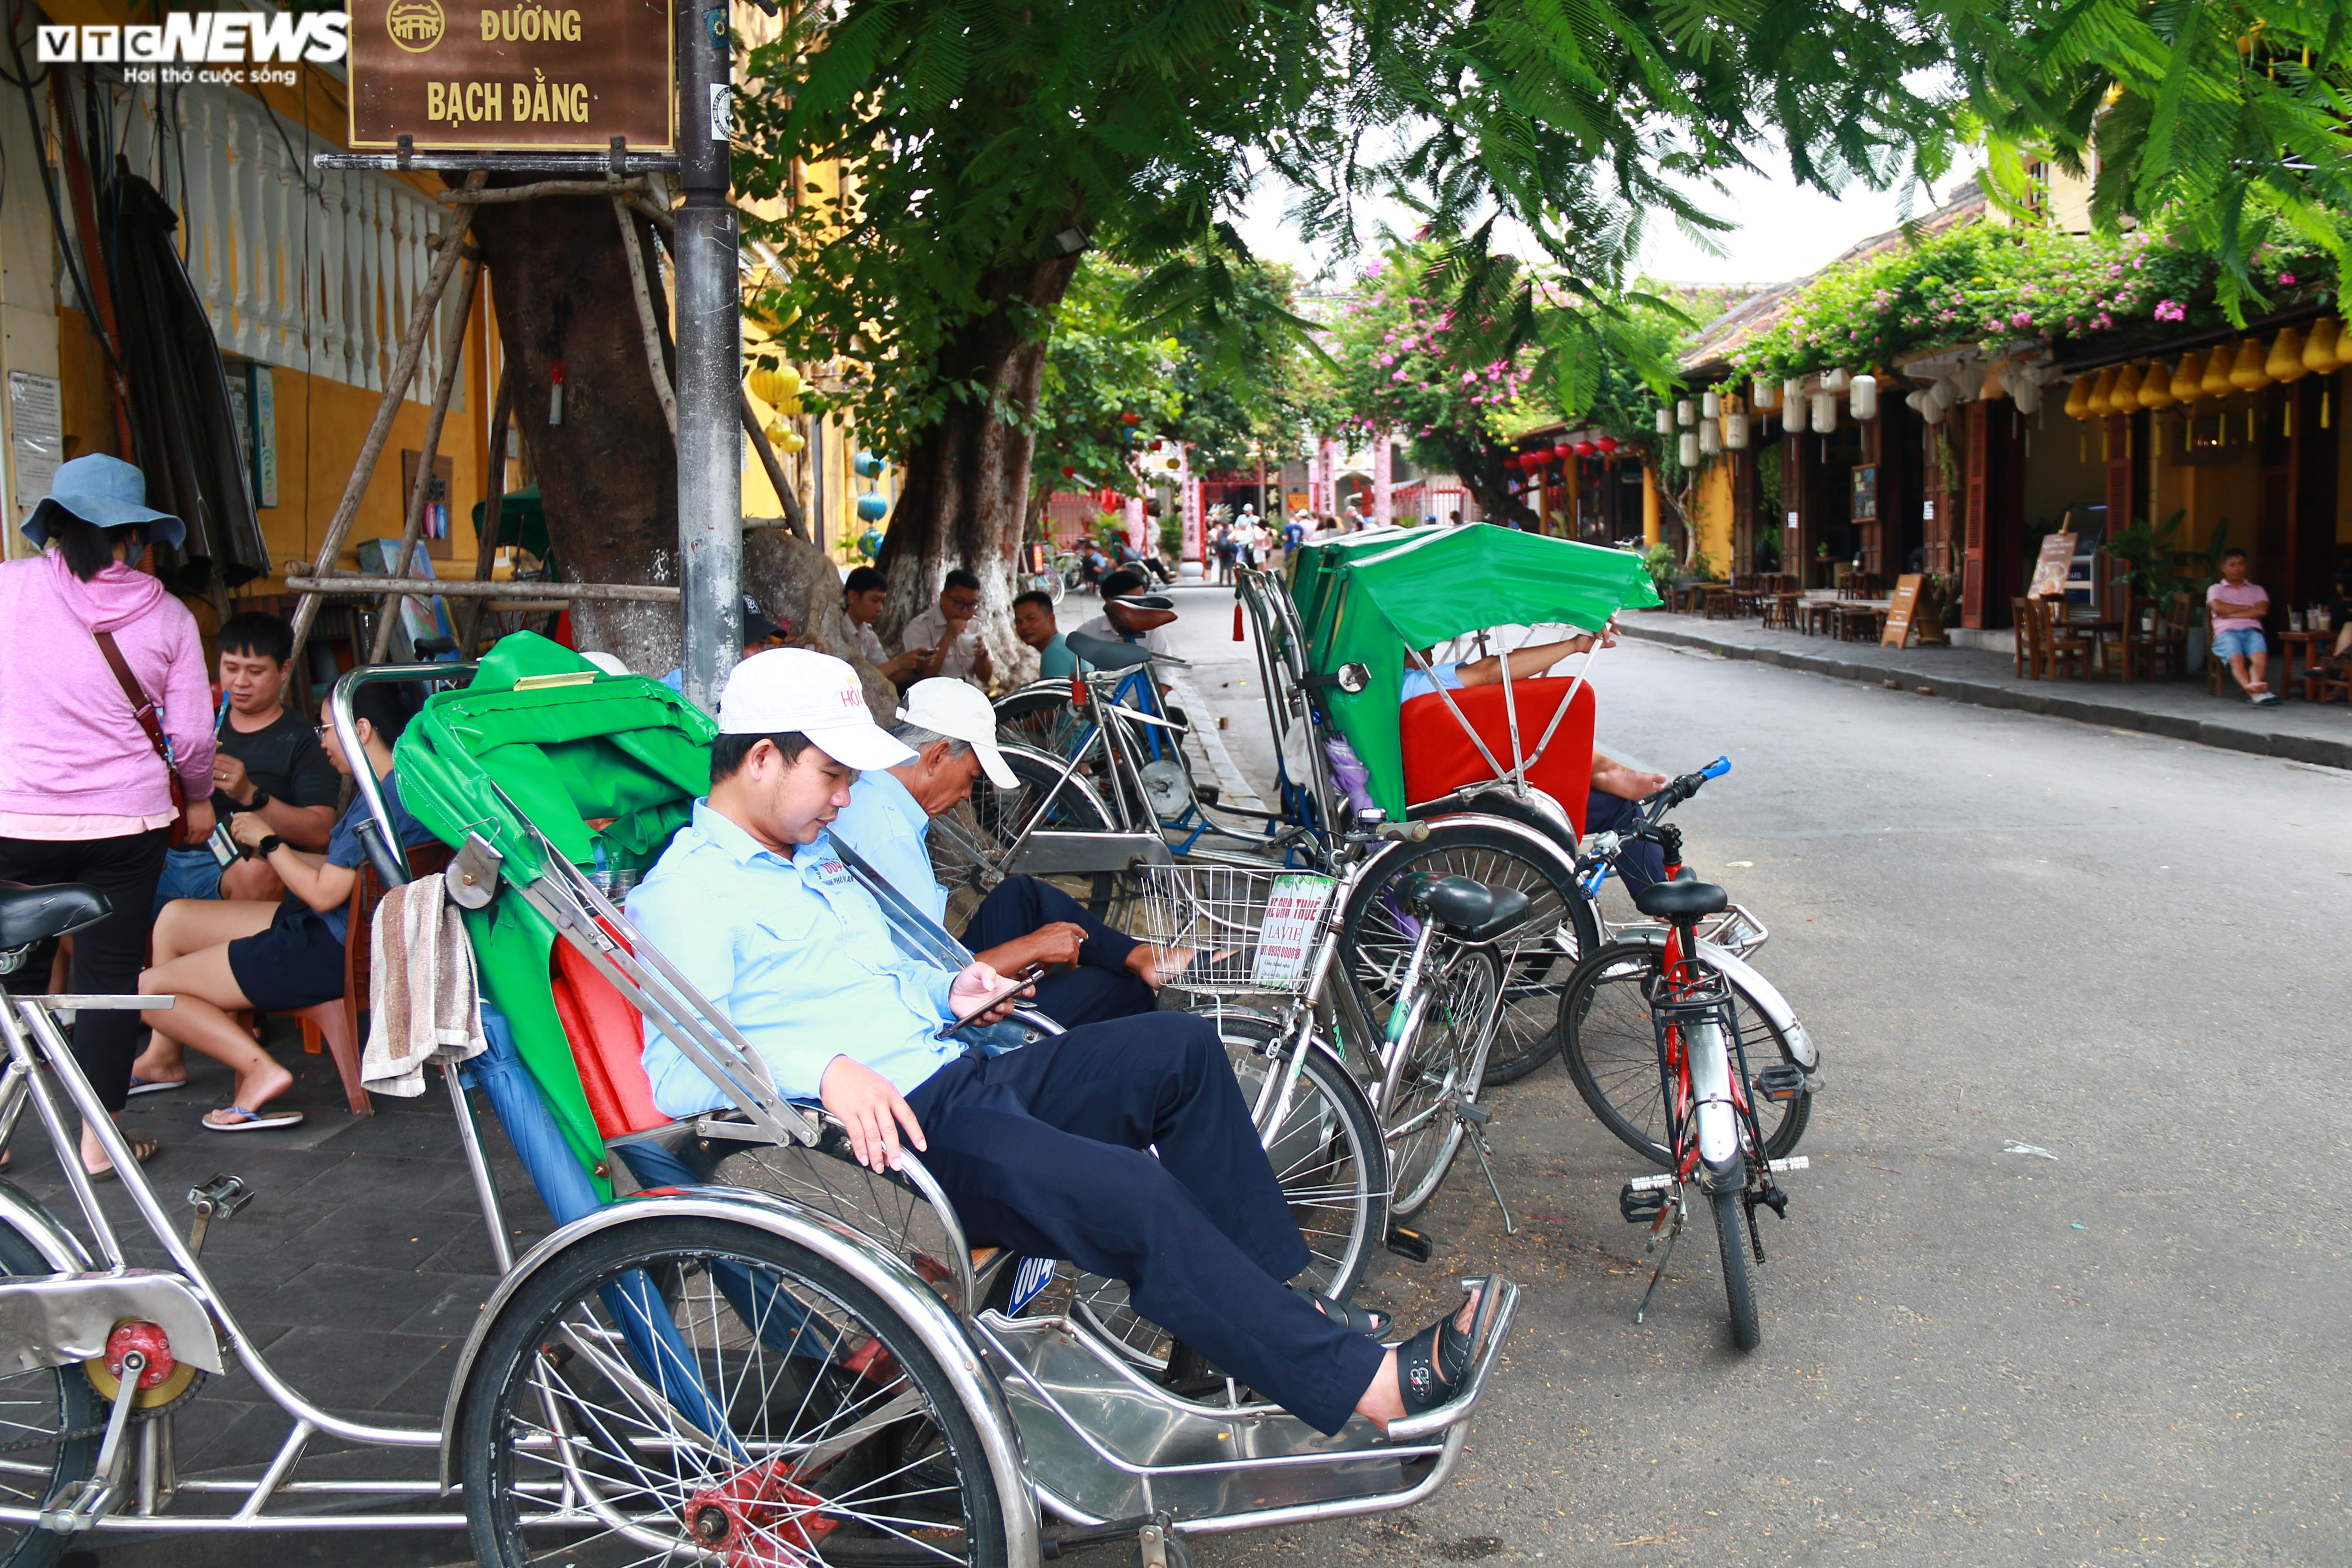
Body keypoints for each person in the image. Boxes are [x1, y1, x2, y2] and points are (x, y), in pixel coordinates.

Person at [624, 648, 1487, 1437]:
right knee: (1131, 1189)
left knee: (1179, 1050)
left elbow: (876, 988)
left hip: (960, 1070)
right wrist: (821, 1070)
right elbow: (673, 1072)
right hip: (901, 1132)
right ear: (763, 758)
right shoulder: (688, 895)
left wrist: (951, 989)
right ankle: (1366, 1387)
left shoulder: (810, 859)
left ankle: (1259, 1313)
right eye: (832, 773)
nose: (847, 797)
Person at [0, 454, 215, 1177]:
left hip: (15, 820)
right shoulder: (170, 617)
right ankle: (100, 1140)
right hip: (127, 826)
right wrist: (198, 794)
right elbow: (190, 738)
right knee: (108, 975)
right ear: (134, 537)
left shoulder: (6, 588)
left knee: (11, 977)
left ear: (53, 528)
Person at [133, 686, 441, 1130]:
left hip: (328, 947)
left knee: (147, 988)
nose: (321, 741)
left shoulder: (376, 805)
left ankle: (260, 1069)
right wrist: (278, 857)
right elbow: (348, 873)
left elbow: (322, 894)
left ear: (362, 731)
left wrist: (270, 844)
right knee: (177, 919)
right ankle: (164, 1056)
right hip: (346, 929)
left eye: (326, 729)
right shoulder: (405, 786)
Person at [829, 678, 1192, 1024]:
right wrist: (1030, 948)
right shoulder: (889, 838)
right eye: (971, 777)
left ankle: (1143, 956)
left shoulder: (872, 799)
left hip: (933, 975)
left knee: (1021, 895)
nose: (967, 795)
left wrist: (1028, 949)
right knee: (1119, 990)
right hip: (934, 1009)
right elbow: (932, 982)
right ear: (938, 756)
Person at [153, 612, 340, 915]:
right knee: (90, 884)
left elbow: (320, 832)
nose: (240, 682)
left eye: (255, 672)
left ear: (283, 670)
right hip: (167, 860)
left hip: (236, 866)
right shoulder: (194, 724)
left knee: (255, 873)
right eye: (231, 668)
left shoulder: (304, 739)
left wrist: (250, 795)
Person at [1398, 623, 1615, 701]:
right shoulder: (1410, 685)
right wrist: (1574, 645)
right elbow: (1489, 673)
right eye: (1430, 651)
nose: (1433, 658)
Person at [660, 597, 790, 697]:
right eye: (745, 643)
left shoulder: (767, 690)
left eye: (762, 643)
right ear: (710, 645)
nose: (759, 653)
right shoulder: (667, 698)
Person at [900, 570, 995, 688]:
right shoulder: (920, 627)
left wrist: (983, 654)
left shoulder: (975, 625)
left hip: (970, 693)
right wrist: (950, 635)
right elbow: (925, 675)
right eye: (959, 603)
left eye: (972, 605)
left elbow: (986, 677)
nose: (965, 611)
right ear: (943, 597)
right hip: (936, 696)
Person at [2206, 548, 2276, 705]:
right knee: (2236, 659)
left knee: (2260, 658)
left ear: (2246, 566)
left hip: (2252, 630)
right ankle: (2254, 692)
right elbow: (2218, 608)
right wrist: (2248, 608)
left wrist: (2230, 613)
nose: (2237, 568)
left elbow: (2262, 611)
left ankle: (2255, 685)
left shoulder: (2257, 590)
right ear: (2223, 567)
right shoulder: (2215, 589)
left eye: (2241, 564)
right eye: (2232, 565)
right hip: (2226, 632)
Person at [841, 567, 926, 683]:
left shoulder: (868, 635)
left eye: (882, 602)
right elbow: (855, 680)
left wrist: (917, 668)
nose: (880, 609)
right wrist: (898, 663)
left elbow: (886, 675)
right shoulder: (837, 630)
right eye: (874, 600)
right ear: (853, 597)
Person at [1013, 589, 1080, 680]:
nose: (1024, 627)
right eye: (1019, 622)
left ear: (1051, 620)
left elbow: (1055, 693)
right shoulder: (1061, 643)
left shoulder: (1055, 653)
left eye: (1031, 619)